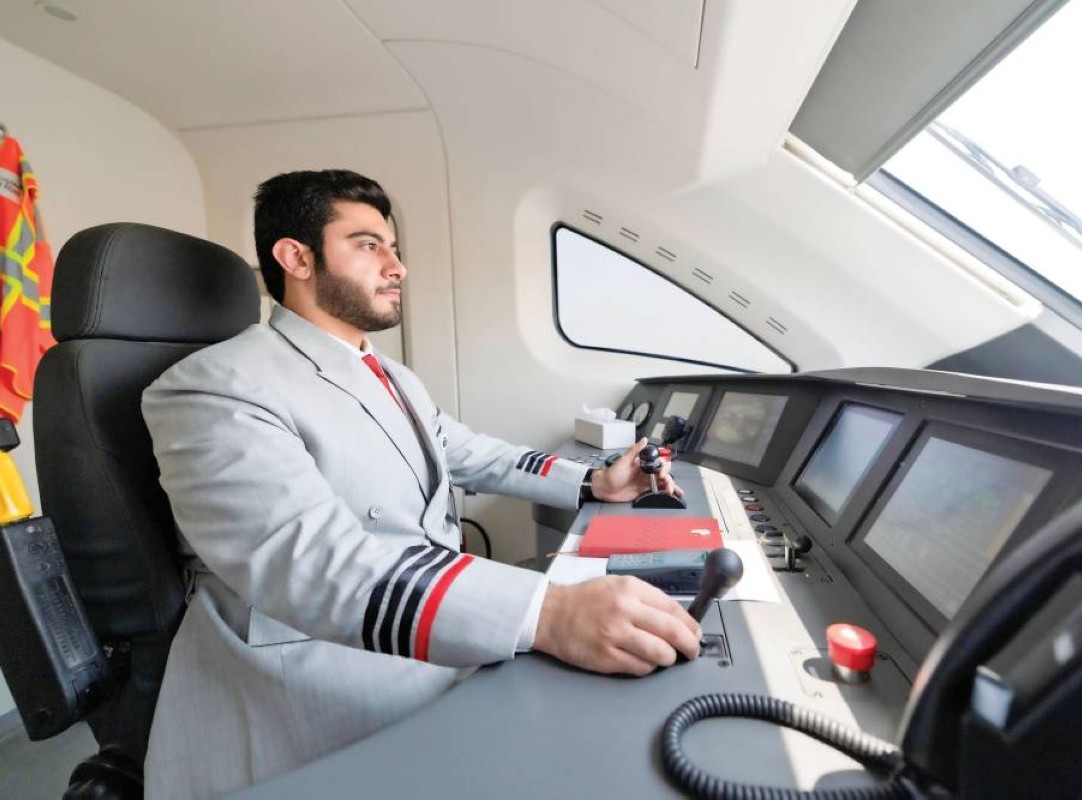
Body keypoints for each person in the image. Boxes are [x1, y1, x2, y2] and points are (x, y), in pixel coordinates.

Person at [139, 169, 701, 798]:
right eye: (368, 245)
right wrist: (549, 612)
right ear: (296, 258)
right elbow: (313, 564)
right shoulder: (217, 386)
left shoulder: (391, 376)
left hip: (416, 630)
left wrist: (595, 481)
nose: (397, 266)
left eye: (394, 247)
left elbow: (473, 453)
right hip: (311, 672)